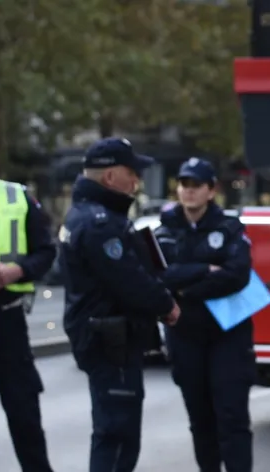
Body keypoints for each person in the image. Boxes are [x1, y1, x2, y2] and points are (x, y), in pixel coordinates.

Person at [59, 137, 180, 472]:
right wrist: (165, 304)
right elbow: (127, 279)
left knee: (116, 431)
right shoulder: (100, 224)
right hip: (112, 340)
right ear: (111, 177)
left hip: (107, 337)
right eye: (132, 172)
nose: (136, 181)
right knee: (117, 435)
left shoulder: (87, 215)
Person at [154, 157, 254, 472]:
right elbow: (159, 276)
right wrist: (204, 270)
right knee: (200, 418)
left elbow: (237, 275)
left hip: (229, 333)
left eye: (196, 185)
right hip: (185, 334)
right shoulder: (163, 231)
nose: (189, 191)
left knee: (232, 417)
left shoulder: (229, 226)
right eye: (184, 184)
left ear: (211, 190)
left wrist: (186, 289)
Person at [0, 125, 56, 471]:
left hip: (6, 316)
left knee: (24, 410)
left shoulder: (17, 196)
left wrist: (18, 271)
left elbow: (45, 252)